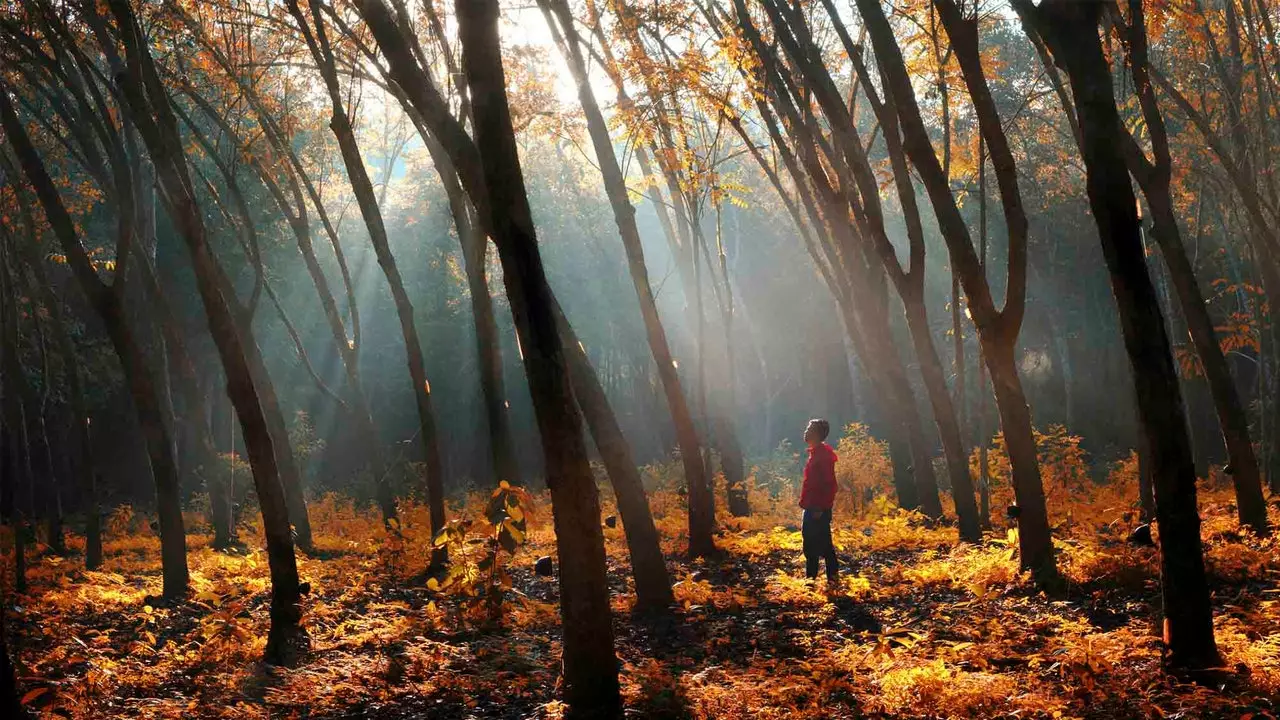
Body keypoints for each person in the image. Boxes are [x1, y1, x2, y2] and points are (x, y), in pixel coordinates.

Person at [800, 418, 839, 583]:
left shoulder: (823, 456)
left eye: (809, 429)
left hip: (817, 508)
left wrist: (819, 508)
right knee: (818, 544)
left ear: (817, 434)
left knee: (815, 545)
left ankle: (815, 582)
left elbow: (828, 484)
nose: (806, 431)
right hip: (813, 506)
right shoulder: (817, 453)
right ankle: (824, 580)